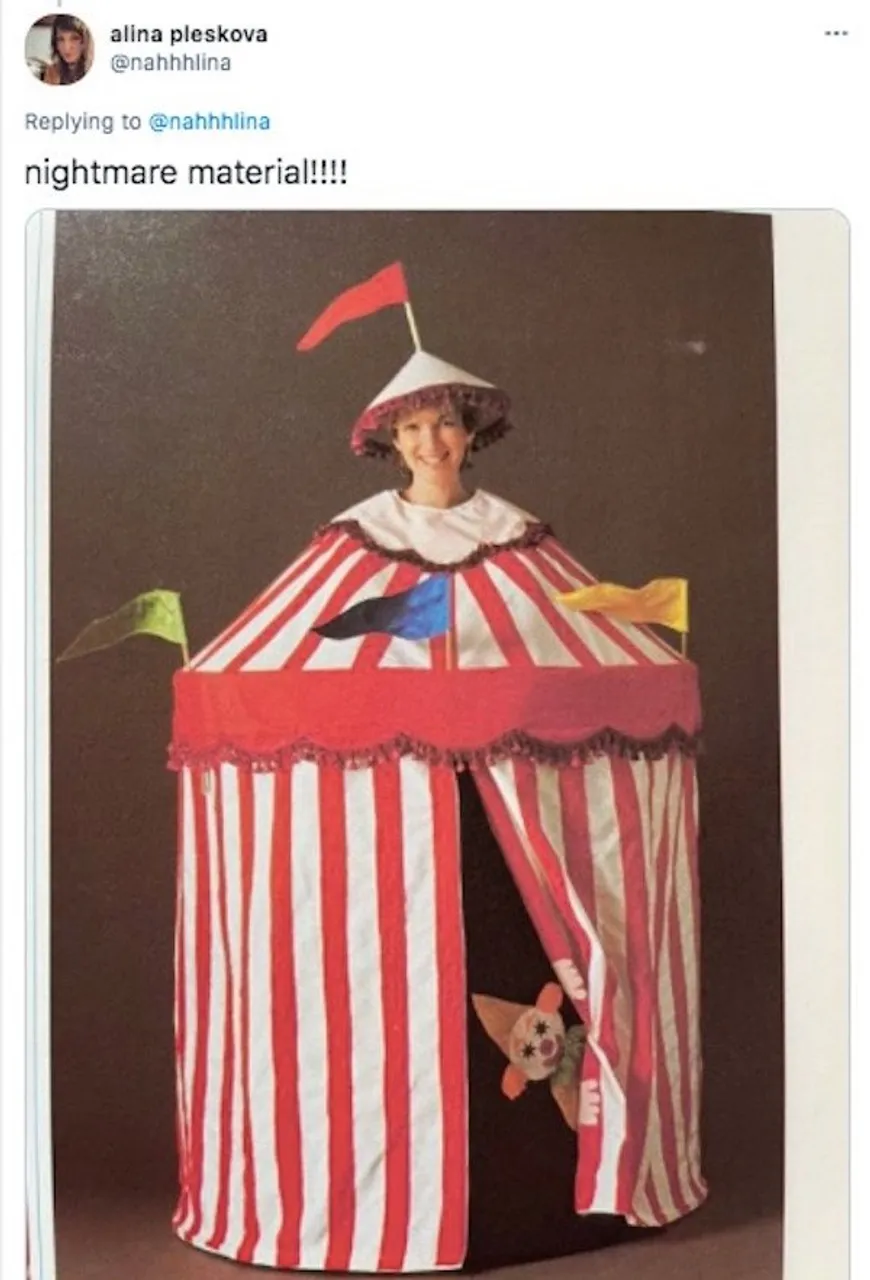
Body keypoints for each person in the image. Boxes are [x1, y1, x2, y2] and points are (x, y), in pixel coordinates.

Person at [170, 277, 706, 1273]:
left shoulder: (522, 540)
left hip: (505, 873)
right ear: (390, 442)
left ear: (471, 434)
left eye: (446, 424)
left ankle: (563, 1184)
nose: (432, 442)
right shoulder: (353, 545)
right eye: (413, 428)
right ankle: (394, 1195)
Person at [42, 14, 92, 85]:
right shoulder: (52, 72)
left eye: (75, 38)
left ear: (85, 41)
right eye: (60, 39)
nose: (67, 47)